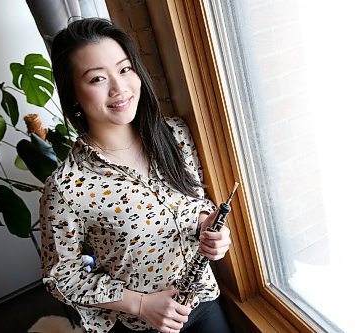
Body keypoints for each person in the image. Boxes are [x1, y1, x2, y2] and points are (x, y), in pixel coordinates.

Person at [39, 17, 233, 333]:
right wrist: (140, 304)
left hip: (203, 301)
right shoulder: (65, 187)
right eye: (97, 79)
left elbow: (197, 202)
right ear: (73, 94)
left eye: (125, 69)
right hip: (141, 325)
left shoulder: (175, 135)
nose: (119, 88)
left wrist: (208, 229)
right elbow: (61, 278)